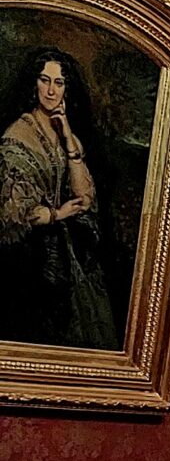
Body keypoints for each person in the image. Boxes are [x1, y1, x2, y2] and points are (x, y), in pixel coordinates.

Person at [0, 46, 118, 348]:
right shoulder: (17, 136)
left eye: (59, 82)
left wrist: (66, 136)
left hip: (69, 251)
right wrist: (58, 214)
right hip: (30, 252)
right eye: (45, 80)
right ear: (34, 83)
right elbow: (12, 214)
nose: (51, 91)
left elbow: (85, 197)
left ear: (67, 89)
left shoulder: (66, 132)